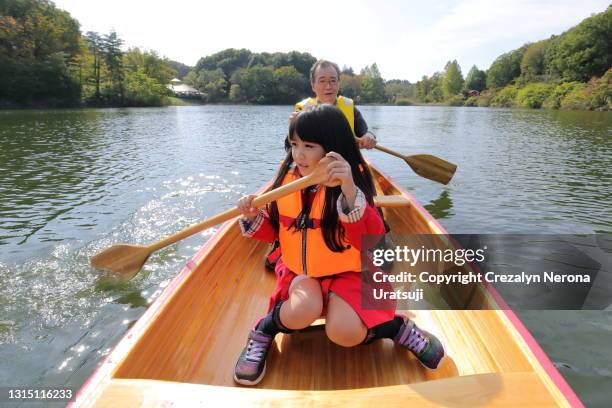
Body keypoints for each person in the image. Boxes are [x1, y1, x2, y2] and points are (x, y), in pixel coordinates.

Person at [233, 105, 444, 386]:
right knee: (300, 312)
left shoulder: (352, 184)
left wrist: (348, 189)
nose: (299, 154)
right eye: (294, 144)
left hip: (350, 274)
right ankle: (264, 328)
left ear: (332, 148)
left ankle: (397, 328)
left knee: (344, 332)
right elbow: (275, 232)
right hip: (301, 273)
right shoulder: (287, 180)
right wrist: (252, 215)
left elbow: (372, 241)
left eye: (309, 145)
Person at [294, 59, 377, 150]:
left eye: (333, 81)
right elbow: (290, 145)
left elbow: (364, 132)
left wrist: (369, 136)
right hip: (314, 163)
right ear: (313, 85)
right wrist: (294, 127)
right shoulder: (302, 111)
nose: (328, 86)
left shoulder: (349, 106)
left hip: (345, 162)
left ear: (338, 83)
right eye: (322, 81)